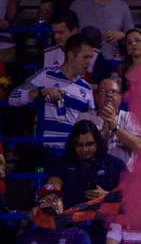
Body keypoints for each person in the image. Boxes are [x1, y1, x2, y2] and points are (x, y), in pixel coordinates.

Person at [9, 32, 96, 162]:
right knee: (40, 177)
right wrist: (40, 92)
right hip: (45, 151)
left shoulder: (86, 88)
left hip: (73, 154)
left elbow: (90, 123)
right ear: (71, 55)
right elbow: (13, 98)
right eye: (85, 57)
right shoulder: (45, 75)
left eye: (91, 57)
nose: (89, 63)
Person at [70, 0, 134, 61]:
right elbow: (69, 39)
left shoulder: (122, 7)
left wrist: (122, 35)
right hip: (84, 65)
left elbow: (133, 37)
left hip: (113, 64)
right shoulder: (77, 6)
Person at [55, 120, 126, 208]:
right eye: (79, 145)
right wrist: (52, 197)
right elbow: (54, 184)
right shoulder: (64, 162)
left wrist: (108, 197)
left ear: (97, 143)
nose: (84, 149)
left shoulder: (115, 164)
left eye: (89, 144)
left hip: (104, 218)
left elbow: (130, 195)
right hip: (71, 217)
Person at [79, 76, 141, 170]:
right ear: (96, 97)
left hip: (124, 174)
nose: (108, 95)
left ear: (120, 97)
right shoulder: (84, 117)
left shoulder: (130, 117)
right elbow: (80, 150)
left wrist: (115, 127)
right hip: (92, 172)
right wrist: (102, 133)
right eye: (103, 91)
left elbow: (138, 147)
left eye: (113, 92)